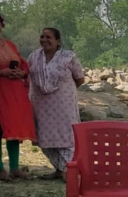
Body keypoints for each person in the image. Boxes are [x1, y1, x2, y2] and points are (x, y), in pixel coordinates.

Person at [0, 7, 36, 181]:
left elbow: (23, 63)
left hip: (14, 93)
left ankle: (15, 168)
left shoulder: (9, 44)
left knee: (13, 129)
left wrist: (22, 73)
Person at [26, 28, 85, 180]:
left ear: (58, 41)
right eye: (42, 36)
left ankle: (69, 170)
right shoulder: (34, 57)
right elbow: (27, 76)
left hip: (63, 104)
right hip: (40, 105)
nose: (44, 40)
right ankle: (59, 169)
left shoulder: (68, 57)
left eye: (49, 37)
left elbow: (79, 78)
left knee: (66, 135)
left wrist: (65, 91)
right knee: (44, 135)